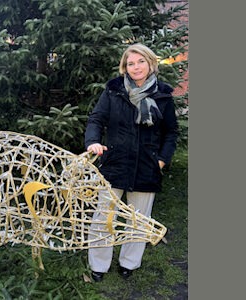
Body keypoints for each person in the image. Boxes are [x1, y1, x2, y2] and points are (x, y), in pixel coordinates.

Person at [84, 43, 179, 282]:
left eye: (140, 62)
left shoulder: (163, 95)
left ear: (150, 64)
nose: (135, 67)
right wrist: (93, 142)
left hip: (147, 166)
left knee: (138, 220)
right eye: (130, 63)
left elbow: (171, 133)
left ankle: (129, 262)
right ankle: (98, 264)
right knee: (104, 218)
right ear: (124, 67)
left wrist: (161, 160)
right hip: (114, 162)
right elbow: (96, 118)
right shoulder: (114, 91)